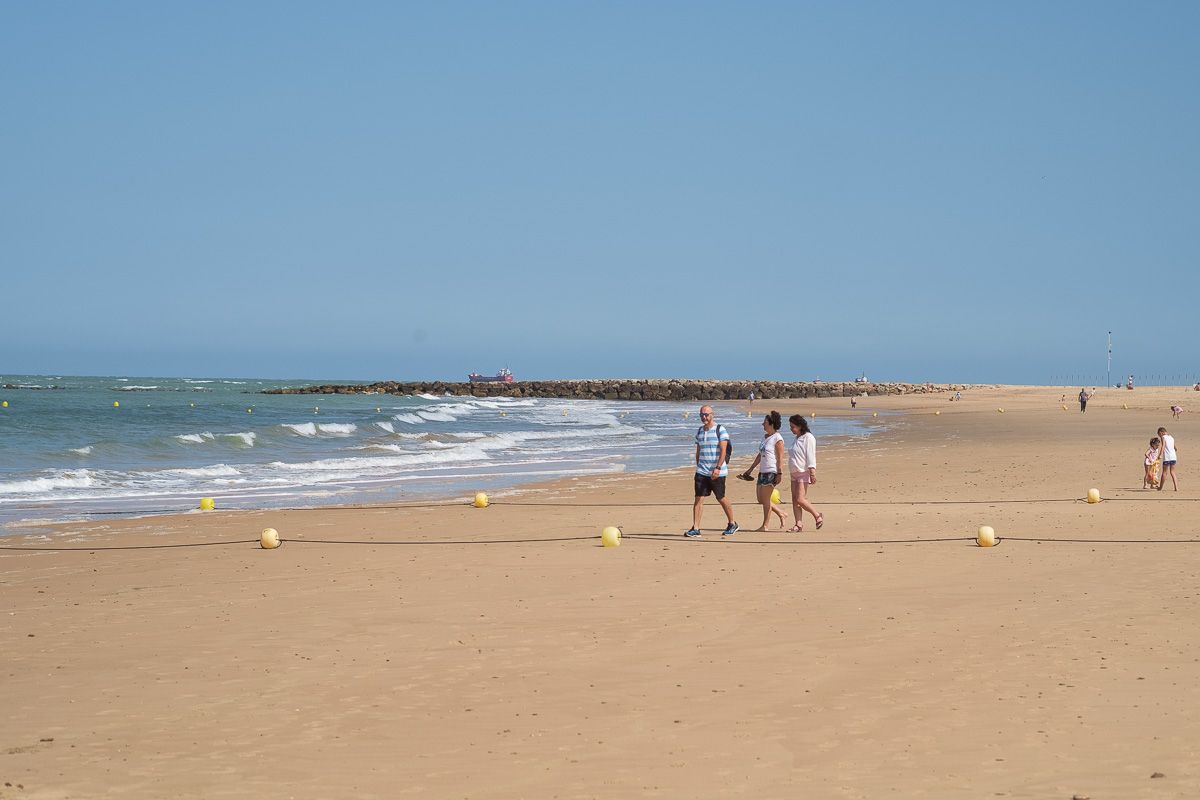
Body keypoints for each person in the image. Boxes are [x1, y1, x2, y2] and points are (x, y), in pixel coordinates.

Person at [685, 405, 739, 537]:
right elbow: (698, 451)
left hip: (717, 471)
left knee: (721, 498)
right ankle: (696, 528)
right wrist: (699, 466)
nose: (704, 417)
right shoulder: (699, 431)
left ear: (712, 415)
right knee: (699, 498)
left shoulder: (720, 430)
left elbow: (723, 451)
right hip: (702, 471)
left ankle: (732, 523)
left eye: (706, 414)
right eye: (702, 415)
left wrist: (718, 468)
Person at [739, 411, 787, 531]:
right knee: (760, 499)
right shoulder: (765, 437)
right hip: (762, 471)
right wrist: (751, 469)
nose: (762, 424)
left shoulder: (778, 438)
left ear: (771, 424)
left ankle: (765, 525)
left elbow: (781, 458)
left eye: (764, 422)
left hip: (772, 471)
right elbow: (760, 455)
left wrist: (779, 473)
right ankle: (781, 513)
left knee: (766, 500)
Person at [785, 414, 824, 532]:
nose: (791, 429)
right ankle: (798, 524)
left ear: (800, 426)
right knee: (794, 500)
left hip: (803, 472)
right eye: (790, 426)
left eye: (793, 426)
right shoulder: (797, 438)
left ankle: (817, 515)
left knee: (800, 499)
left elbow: (810, 455)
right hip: (794, 472)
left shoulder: (808, 437)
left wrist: (812, 472)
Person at [1157, 426, 1179, 491]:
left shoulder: (1163, 437)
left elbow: (1163, 446)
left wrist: (1160, 455)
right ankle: (1176, 487)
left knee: (1164, 472)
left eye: (1159, 434)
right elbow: (1175, 447)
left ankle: (1160, 488)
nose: (1159, 436)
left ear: (1161, 432)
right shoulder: (1171, 437)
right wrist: (1175, 448)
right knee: (1172, 472)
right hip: (1173, 457)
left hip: (1167, 457)